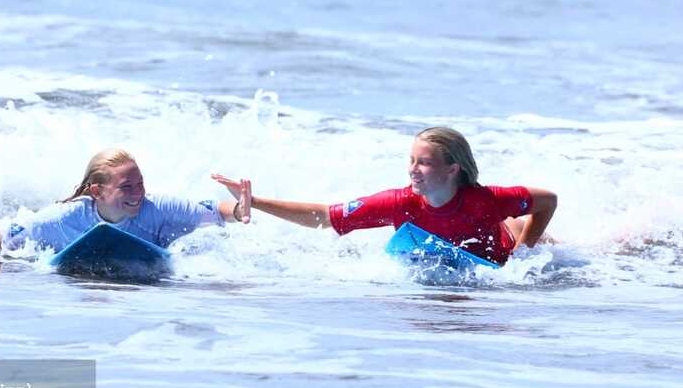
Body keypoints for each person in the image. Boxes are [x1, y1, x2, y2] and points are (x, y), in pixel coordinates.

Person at [213, 127, 557, 265]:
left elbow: (548, 200)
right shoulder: (399, 203)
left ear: (452, 169)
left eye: (424, 163)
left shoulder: (487, 199)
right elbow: (324, 216)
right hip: (450, 256)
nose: (412, 170)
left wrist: (526, 247)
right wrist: (256, 202)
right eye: (411, 161)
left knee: (560, 248)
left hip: (502, 243)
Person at [0, 148, 252, 256]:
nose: (138, 192)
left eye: (140, 182)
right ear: (97, 192)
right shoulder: (66, 219)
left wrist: (239, 210)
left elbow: (213, 212)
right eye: (127, 187)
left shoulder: (158, 208)